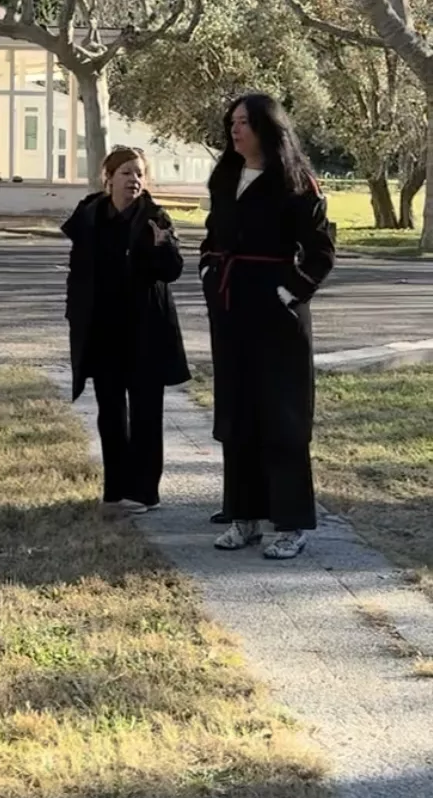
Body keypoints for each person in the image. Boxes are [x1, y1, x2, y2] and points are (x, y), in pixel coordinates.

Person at [201, 93, 335, 561]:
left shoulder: (296, 183)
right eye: (231, 121)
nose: (235, 129)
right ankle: (244, 517)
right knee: (237, 413)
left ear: (266, 128)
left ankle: (291, 524)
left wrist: (290, 291)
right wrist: (207, 271)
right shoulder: (224, 176)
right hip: (231, 308)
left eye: (244, 122)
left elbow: (321, 252)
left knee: (283, 416)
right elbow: (212, 234)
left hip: (277, 314)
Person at [61, 146, 189, 515]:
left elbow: (173, 271)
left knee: (147, 412)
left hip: (145, 331)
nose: (134, 180)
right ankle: (115, 490)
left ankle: (144, 492)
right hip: (103, 331)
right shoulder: (89, 216)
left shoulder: (155, 218)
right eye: (127, 173)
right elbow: (78, 271)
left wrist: (164, 247)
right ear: (109, 177)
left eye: (139, 174)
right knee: (110, 412)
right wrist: (75, 313)